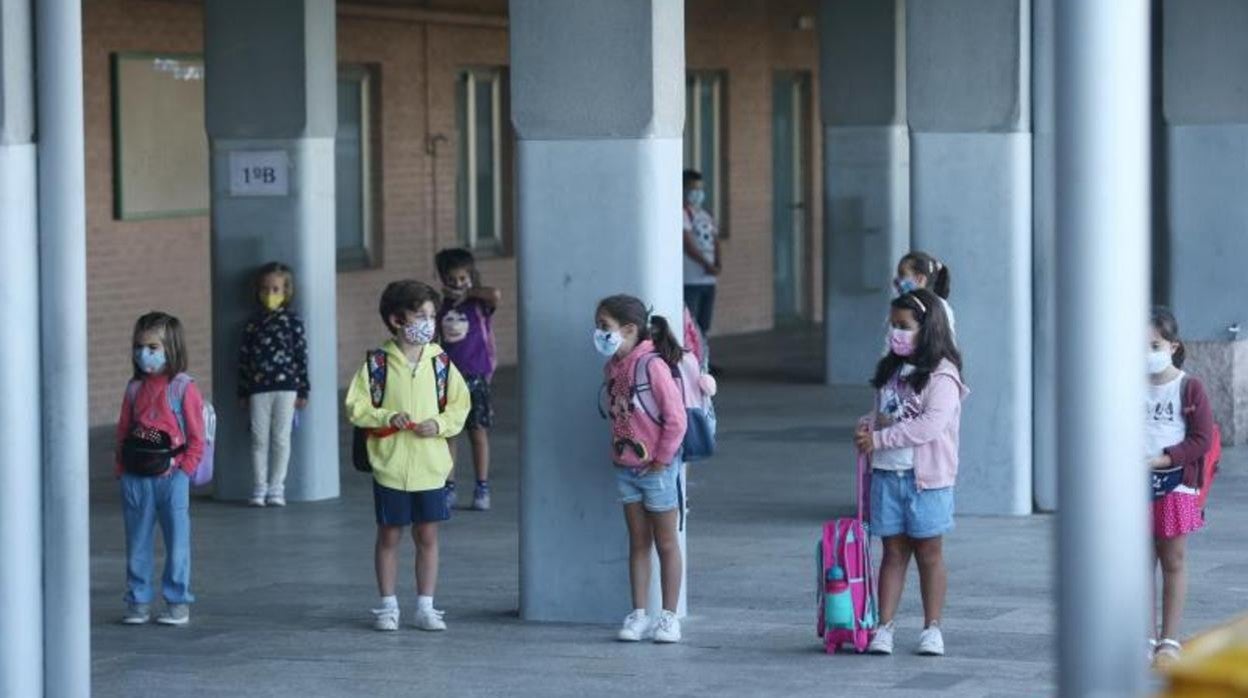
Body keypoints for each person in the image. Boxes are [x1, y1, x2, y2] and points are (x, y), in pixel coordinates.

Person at [346, 280, 470, 632]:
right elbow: (356, 406)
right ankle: (387, 606)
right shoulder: (377, 365)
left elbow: (461, 405)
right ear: (396, 319)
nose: (429, 323)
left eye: (432, 315)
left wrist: (441, 424)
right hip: (390, 466)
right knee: (389, 536)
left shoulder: (441, 364)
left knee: (427, 537)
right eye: (421, 315)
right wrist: (386, 416)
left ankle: (425, 606)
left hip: (431, 469)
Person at [854, 289, 968, 657]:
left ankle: (932, 628)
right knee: (891, 552)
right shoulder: (891, 370)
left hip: (927, 481)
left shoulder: (943, 376)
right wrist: (868, 427)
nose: (895, 333)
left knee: (929, 553)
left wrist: (880, 438)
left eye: (904, 326)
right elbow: (883, 413)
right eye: (893, 325)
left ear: (927, 328)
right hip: (887, 476)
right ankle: (883, 627)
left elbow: (929, 426)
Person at [595, 295, 688, 644]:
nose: (599, 333)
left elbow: (676, 420)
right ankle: (638, 614)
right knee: (637, 541)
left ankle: (668, 616)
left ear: (629, 329)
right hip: (626, 466)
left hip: (657, 469)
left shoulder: (652, 365)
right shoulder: (613, 368)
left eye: (605, 326)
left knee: (666, 542)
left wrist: (662, 460)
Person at [115, 312, 206, 626]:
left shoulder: (183, 388)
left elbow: (197, 437)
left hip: (172, 478)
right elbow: (124, 429)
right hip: (136, 477)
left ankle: (177, 601)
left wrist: (185, 471)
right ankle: (138, 601)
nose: (144, 353)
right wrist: (121, 469)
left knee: (177, 543)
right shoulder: (134, 388)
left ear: (171, 347)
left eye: (153, 346)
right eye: (139, 346)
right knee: (137, 542)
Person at [1145, 307, 1214, 667]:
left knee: (1172, 560)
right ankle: (1143, 636)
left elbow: (1202, 439)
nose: (1146, 353)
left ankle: (1169, 640)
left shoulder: (1190, 387)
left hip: (1176, 486)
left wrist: (1165, 458)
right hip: (1133, 487)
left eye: (1154, 345)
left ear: (1173, 346)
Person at [237, 262, 309, 507]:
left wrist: (303, 389)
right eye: (265, 289)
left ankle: (277, 487)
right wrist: (243, 390)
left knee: (281, 438)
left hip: (287, 387)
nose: (270, 294)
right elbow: (244, 359)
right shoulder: (253, 324)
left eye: (276, 289)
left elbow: (301, 356)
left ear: (286, 291)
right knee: (259, 438)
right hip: (258, 388)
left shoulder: (292, 322)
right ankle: (259, 486)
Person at [435, 248, 501, 511]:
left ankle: (481, 486)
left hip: (477, 376)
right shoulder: (440, 307)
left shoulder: (479, 304)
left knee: (477, 433)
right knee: (449, 433)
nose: (458, 284)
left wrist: (468, 292)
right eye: (452, 279)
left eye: (463, 278)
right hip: (450, 377)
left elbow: (495, 294)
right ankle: (448, 487)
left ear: (471, 277)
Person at [682, 169, 721, 336]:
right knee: (691, 325)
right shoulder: (682, 213)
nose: (697, 193)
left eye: (700, 189)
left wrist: (718, 263)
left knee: (704, 325)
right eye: (693, 189)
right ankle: (692, 360)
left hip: (709, 278)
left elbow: (715, 240)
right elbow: (688, 245)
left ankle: (703, 359)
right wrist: (706, 264)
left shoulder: (705, 214)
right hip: (691, 278)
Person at [893, 252, 955, 339]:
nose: (897, 280)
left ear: (920, 279)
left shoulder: (938, 308)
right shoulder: (902, 306)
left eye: (902, 274)